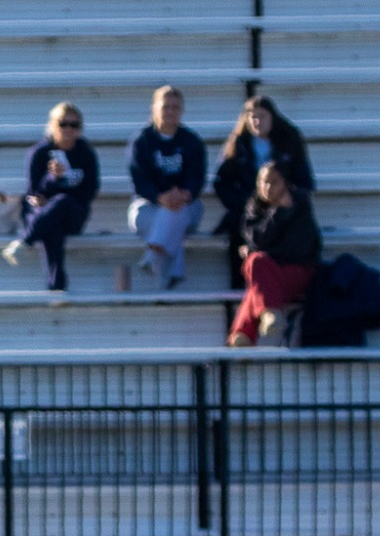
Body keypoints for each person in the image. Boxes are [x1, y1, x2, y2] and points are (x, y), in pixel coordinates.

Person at [213, 96, 316, 289]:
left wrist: (288, 201)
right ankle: (240, 285)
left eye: (262, 116)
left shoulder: (289, 139)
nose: (257, 121)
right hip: (250, 209)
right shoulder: (238, 143)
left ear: (272, 117)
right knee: (239, 230)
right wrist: (240, 203)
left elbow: (304, 180)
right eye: (252, 117)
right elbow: (221, 181)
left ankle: (282, 284)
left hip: (283, 206)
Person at [0, 103, 99, 292]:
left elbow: (90, 191)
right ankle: (57, 290)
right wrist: (52, 178)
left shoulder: (85, 153)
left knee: (62, 203)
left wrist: (57, 198)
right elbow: (33, 193)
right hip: (42, 214)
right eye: (63, 124)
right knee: (53, 227)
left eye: (74, 125)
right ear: (52, 125)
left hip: (73, 214)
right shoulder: (39, 153)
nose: (68, 129)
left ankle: (24, 241)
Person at [228, 163, 321, 348]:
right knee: (257, 266)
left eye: (274, 182)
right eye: (263, 182)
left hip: (299, 271)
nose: (268, 187)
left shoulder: (300, 204)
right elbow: (257, 238)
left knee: (256, 266)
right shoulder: (254, 207)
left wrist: (282, 211)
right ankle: (266, 315)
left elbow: (298, 250)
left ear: (285, 183)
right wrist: (278, 213)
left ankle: (245, 331)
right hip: (270, 273)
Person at [127, 85, 207, 290]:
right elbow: (139, 181)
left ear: (182, 110)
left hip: (186, 205)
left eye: (175, 107)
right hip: (148, 207)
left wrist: (185, 194)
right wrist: (160, 197)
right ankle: (175, 272)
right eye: (165, 107)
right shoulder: (142, 141)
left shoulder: (192, 141)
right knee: (169, 218)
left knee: (176, 213)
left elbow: (197, 178)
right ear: (154, 108)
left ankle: (153, 255)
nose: (170, 111)